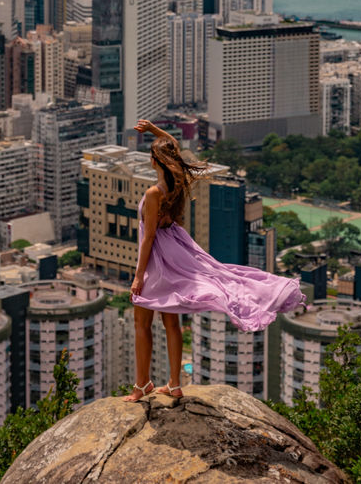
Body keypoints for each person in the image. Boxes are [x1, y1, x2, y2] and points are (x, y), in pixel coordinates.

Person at [122, 119, 306, 403]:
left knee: (141, 322)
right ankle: (173, 383)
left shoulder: (154, 193)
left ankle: (142, 384)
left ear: (155, 160)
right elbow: (174, 146)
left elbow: (147, 239)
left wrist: (138, 276)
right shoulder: (178, 183)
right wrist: (155, 132)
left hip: (158, 259)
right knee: (172, 322)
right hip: (177, 251)